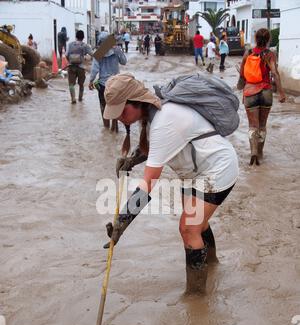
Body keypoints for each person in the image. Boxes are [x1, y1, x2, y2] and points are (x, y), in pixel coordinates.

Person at [102, 73, 239, 295]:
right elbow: (154, 148)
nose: (119, 117)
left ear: (136, 101)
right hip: (194, 172)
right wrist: (132, 160)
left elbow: (148, 184)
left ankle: (196, 296)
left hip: (216, 170)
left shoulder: (164, 121)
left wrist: (122, 222)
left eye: (122, 111)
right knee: (198, 224)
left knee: (188, 227)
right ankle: (212, 265)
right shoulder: (151, 114)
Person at [240, 28, 286, 166]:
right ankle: (260, 153)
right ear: (268, 40)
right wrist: (281, 92)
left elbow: (242, 72)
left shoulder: (248, 53)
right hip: (266, 92)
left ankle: (253, 150)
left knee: (252, 125)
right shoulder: (270, 54)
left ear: (255, 38)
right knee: (262, 125)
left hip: (250, 92)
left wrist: (243, 86)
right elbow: (275, 73)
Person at [89, 32, 127, 130]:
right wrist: (118, 51)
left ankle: (106, 128)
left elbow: (94, 70)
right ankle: (114, 127)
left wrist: (90, 81)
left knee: (104, 106)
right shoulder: (116, 49)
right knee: (114, 105)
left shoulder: (99, 52)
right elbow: (124, 62)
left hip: (103, 85)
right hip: (116, 84)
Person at [66, 30, 93, 104]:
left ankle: (73, 99)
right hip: (81, 67)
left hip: (71, 66)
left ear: (76, 37)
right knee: (81, 84)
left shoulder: (70, 44)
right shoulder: (85, 45)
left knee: (71, 84)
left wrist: (70, 61)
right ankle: (80, 98)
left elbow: (66, 55)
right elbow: (92, 54)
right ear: (83, 37)